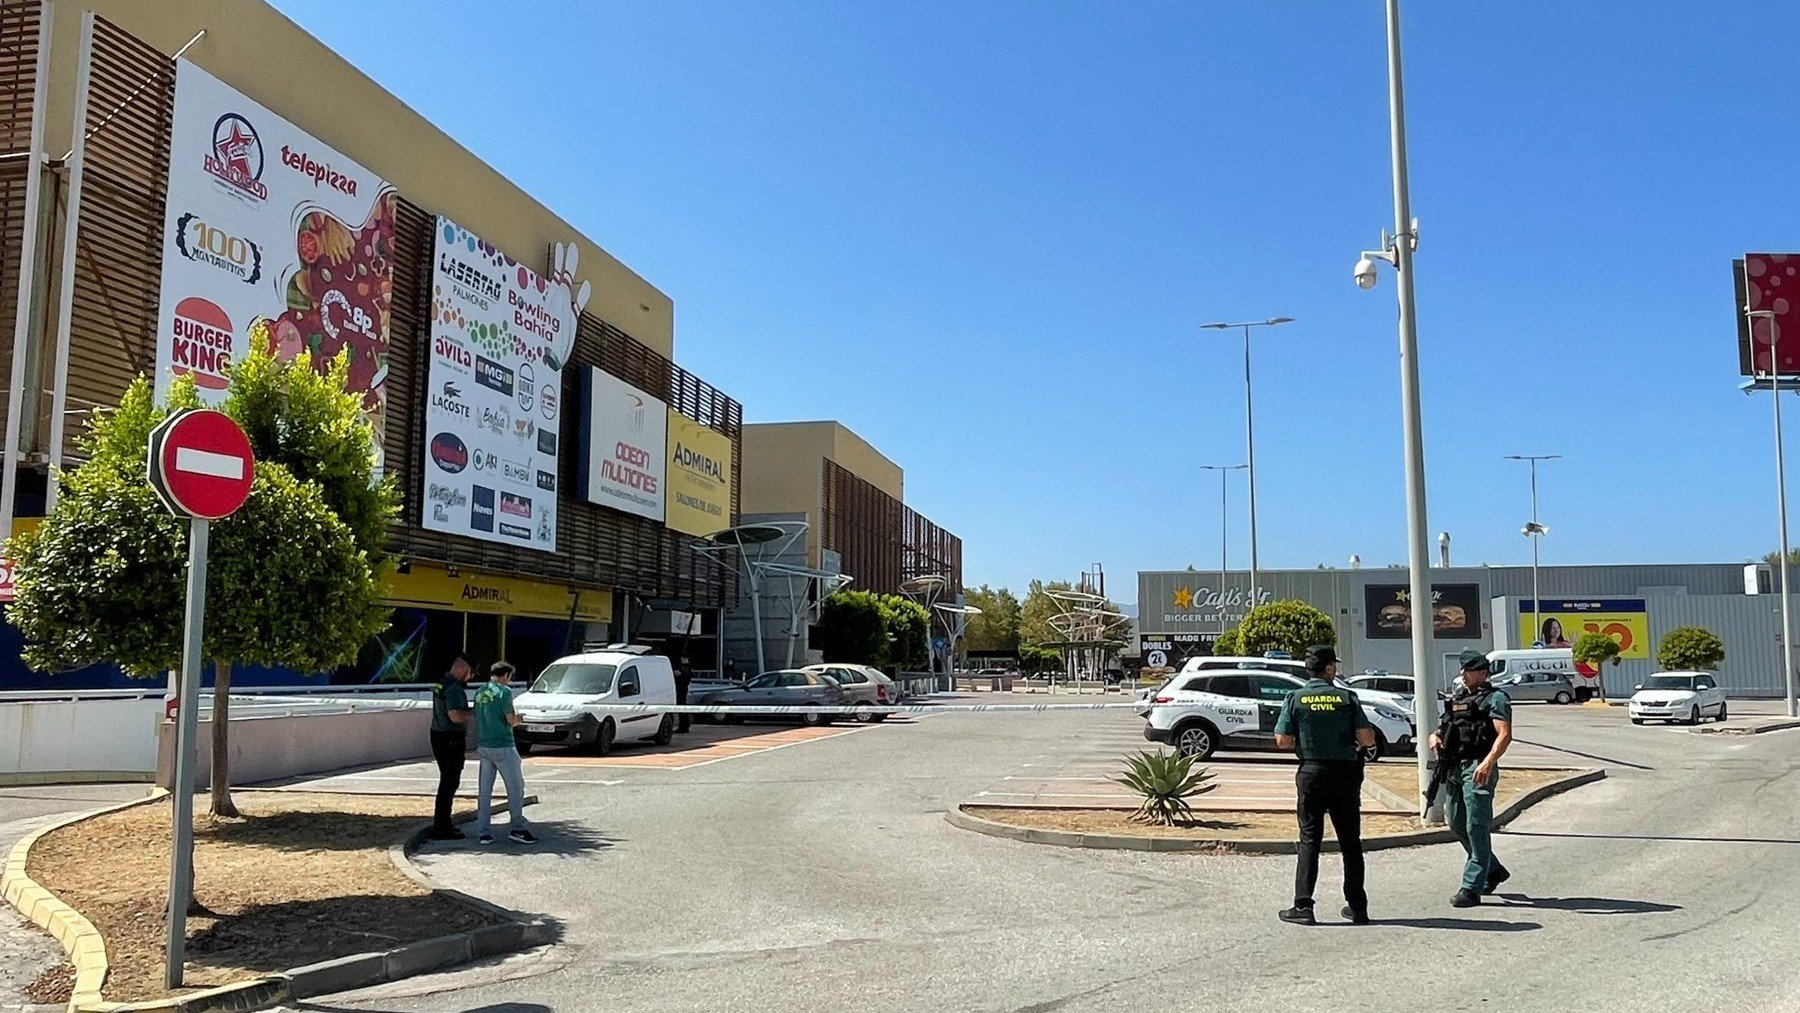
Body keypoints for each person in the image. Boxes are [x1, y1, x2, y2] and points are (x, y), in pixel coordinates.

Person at [1272, 645, 1377, 926]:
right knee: (1350, 843)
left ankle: (1303, 906)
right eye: (1334, 666)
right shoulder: (1347, 697)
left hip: (1312, 773)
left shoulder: (1295, 697)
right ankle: (1357, 907)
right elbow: (1367, 738)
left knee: (1309, 840)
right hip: (1345, 775)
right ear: (1329, 668)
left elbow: (1282, 740)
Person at [1431, 648, 1515, 906]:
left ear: (1482, 673)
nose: (1463, 675)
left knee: (1476, 827)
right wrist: (1434, 737)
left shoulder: (1496, 699)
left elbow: (1504, 734)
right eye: (1462, 670)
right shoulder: (1458, 699)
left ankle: (1471, 887)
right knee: (1456, 823)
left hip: (1478, 768)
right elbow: (1444, 727)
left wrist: (1489, 762)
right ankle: (1493, 869)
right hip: (1454, 767)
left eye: (1468, 670)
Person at [473, 661, 536, 846]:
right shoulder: (504, 692)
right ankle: (517, 828)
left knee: (485, 792)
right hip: (503, 744)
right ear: (505, 675)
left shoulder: (480, 691)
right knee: (515, 788)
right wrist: (520, 719)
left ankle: (483, 832)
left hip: (484, 745)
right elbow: (510, 720)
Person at [426, 654, 473, 841]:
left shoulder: (441, 683)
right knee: (450, 782)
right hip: (450, 739)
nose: (471, 678)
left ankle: (442, 824)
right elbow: (455, 716)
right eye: (471, 673)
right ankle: (442, 827)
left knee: (446, 782)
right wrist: (471, 713)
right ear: (463, 670)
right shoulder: (454, 688)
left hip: (438, 735)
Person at [674, 660, 693, 734]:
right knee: (682, 706)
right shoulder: (688, 668)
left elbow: (680, 675)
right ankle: (685, 724)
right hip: (683, 688)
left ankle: (684, 725)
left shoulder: (685, 668)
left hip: (681, 689)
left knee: (681, 705)